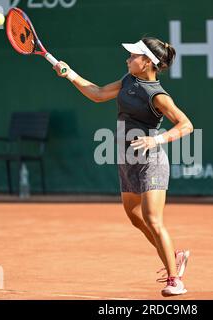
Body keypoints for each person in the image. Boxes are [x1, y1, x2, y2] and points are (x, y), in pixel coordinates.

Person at [53, 37, 193, 296]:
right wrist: (70, 74)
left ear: (147, 62)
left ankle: (175, 280)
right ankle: (175, 256)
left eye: (133, 56)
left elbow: (186, 125)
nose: (128, 59)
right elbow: (98, 94)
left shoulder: (157, 95)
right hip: (127, 159)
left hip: (151, 161)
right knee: (135, 217)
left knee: (152, 218)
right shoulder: (128, 80)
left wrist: (156, 139)